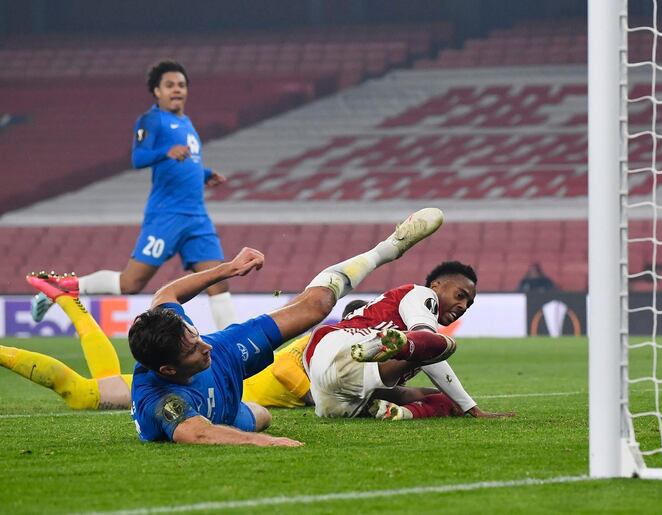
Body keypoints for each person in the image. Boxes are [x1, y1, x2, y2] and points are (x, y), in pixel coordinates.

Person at [126, 207, 443, 446]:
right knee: (262, 417)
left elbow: (166, 294)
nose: (202, 345)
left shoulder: (188, 338)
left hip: (228, 356)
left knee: (315, 307)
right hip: (223, 413)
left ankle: (386, 248)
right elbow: (195, 433)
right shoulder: (163, 400)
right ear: (167, 370)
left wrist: (228, 269)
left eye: (196, 337)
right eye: (193, 349)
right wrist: (268, 442)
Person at [30, 60, 236, 331]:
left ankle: (237, 354)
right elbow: (138, 157)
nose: (177, 90)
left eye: (182, 85)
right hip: (167, 215)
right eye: (170, 85)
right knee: (130, 284)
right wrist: (166, 152)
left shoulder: (185, 122)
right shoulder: (152, 120)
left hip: (197, 217)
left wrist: (205, 172)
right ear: (156, 91)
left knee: (218, 283)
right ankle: (59, 287)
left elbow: (187, 161)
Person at [0, 278, 367, 411]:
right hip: (205, 384)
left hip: (203, 380)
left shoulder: (322, 342)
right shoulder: (322, 349)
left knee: (105, 379)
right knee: (83, 394)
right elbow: (288, 369)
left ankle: (67, 297)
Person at [304, 261, 516, 420]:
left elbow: (430, 357)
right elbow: (429, 345)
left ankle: (399, 412)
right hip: (343, 350)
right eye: (460, 295)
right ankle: (391, 345)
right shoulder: (421, 294)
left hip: (332, 397)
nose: (462, 306)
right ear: (436, 286)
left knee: (445, 400)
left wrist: (469, 407)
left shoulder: (390, 308)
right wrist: (475, 409)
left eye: (468, 304)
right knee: (442, 344)